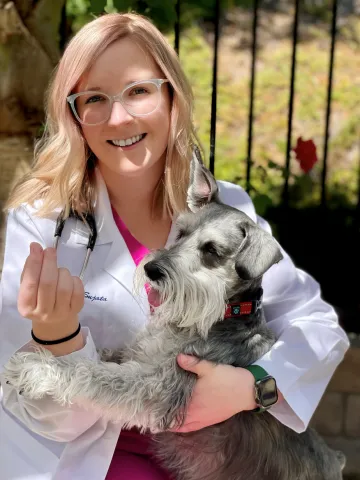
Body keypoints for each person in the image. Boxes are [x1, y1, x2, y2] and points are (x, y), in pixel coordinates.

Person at [0, 12, 349, 480]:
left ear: (172, 98)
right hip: (90, 463)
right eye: (95, 98)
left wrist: (252, 387)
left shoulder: (225, 210)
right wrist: (57, 336)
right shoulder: (44, 223)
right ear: (75, 116)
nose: (118, 116)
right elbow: (42, 412)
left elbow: (318, 329)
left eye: (138, 91)